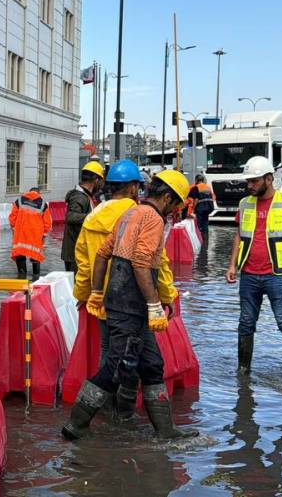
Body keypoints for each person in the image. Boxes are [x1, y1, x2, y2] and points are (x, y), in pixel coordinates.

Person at [62, 170, 198, 441]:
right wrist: (154, 305)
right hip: (130, 305)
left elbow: (102, 254)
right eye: (177, 205)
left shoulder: (130, 215)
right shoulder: (152, 219)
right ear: (168, 197)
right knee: (114, 368)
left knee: (152, 364)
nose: (176, 211)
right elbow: (140, 263)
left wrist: (98, 292)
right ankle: (75, 425)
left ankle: (165, 431)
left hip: (120, 302)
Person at [73, 159, 180, 366]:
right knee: (141, 356)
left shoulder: (92, 217)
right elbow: (157, 262)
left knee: (108, 350)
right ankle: (127, 395)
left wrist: (86, 295)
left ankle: (108, 394)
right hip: (132, 300)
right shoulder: (140, 215)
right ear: (133, 187)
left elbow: (85, 263)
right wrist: (166, 297)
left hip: (102, 299)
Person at [225, 156, 282, 381]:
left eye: (254, 181)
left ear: (269, 179)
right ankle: (243, 373)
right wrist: (232, 264)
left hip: (278, 275)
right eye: (248, 182)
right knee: (245, 323)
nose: (249, 186)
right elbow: (238, 236)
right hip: (249, 275)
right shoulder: (245, 204)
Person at [62, 161, 105, 272]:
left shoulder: (85, 196)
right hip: (74, 254)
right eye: (101, 181)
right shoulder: (79, 196)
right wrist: (95, 217)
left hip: (79, 252)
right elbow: (71, 216)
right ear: (96, 180)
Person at [9, 186, 52, 280]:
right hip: (35, 236)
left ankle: (21, 278)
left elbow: (12, 217)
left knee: (20, 254)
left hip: (21, 235)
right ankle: (36, 279)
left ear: (29, 192)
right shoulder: (43, 204)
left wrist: (14, 228)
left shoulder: (19, 200)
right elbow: (48, 223)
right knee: (35, 256)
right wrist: (43, 235)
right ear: (39, 193)